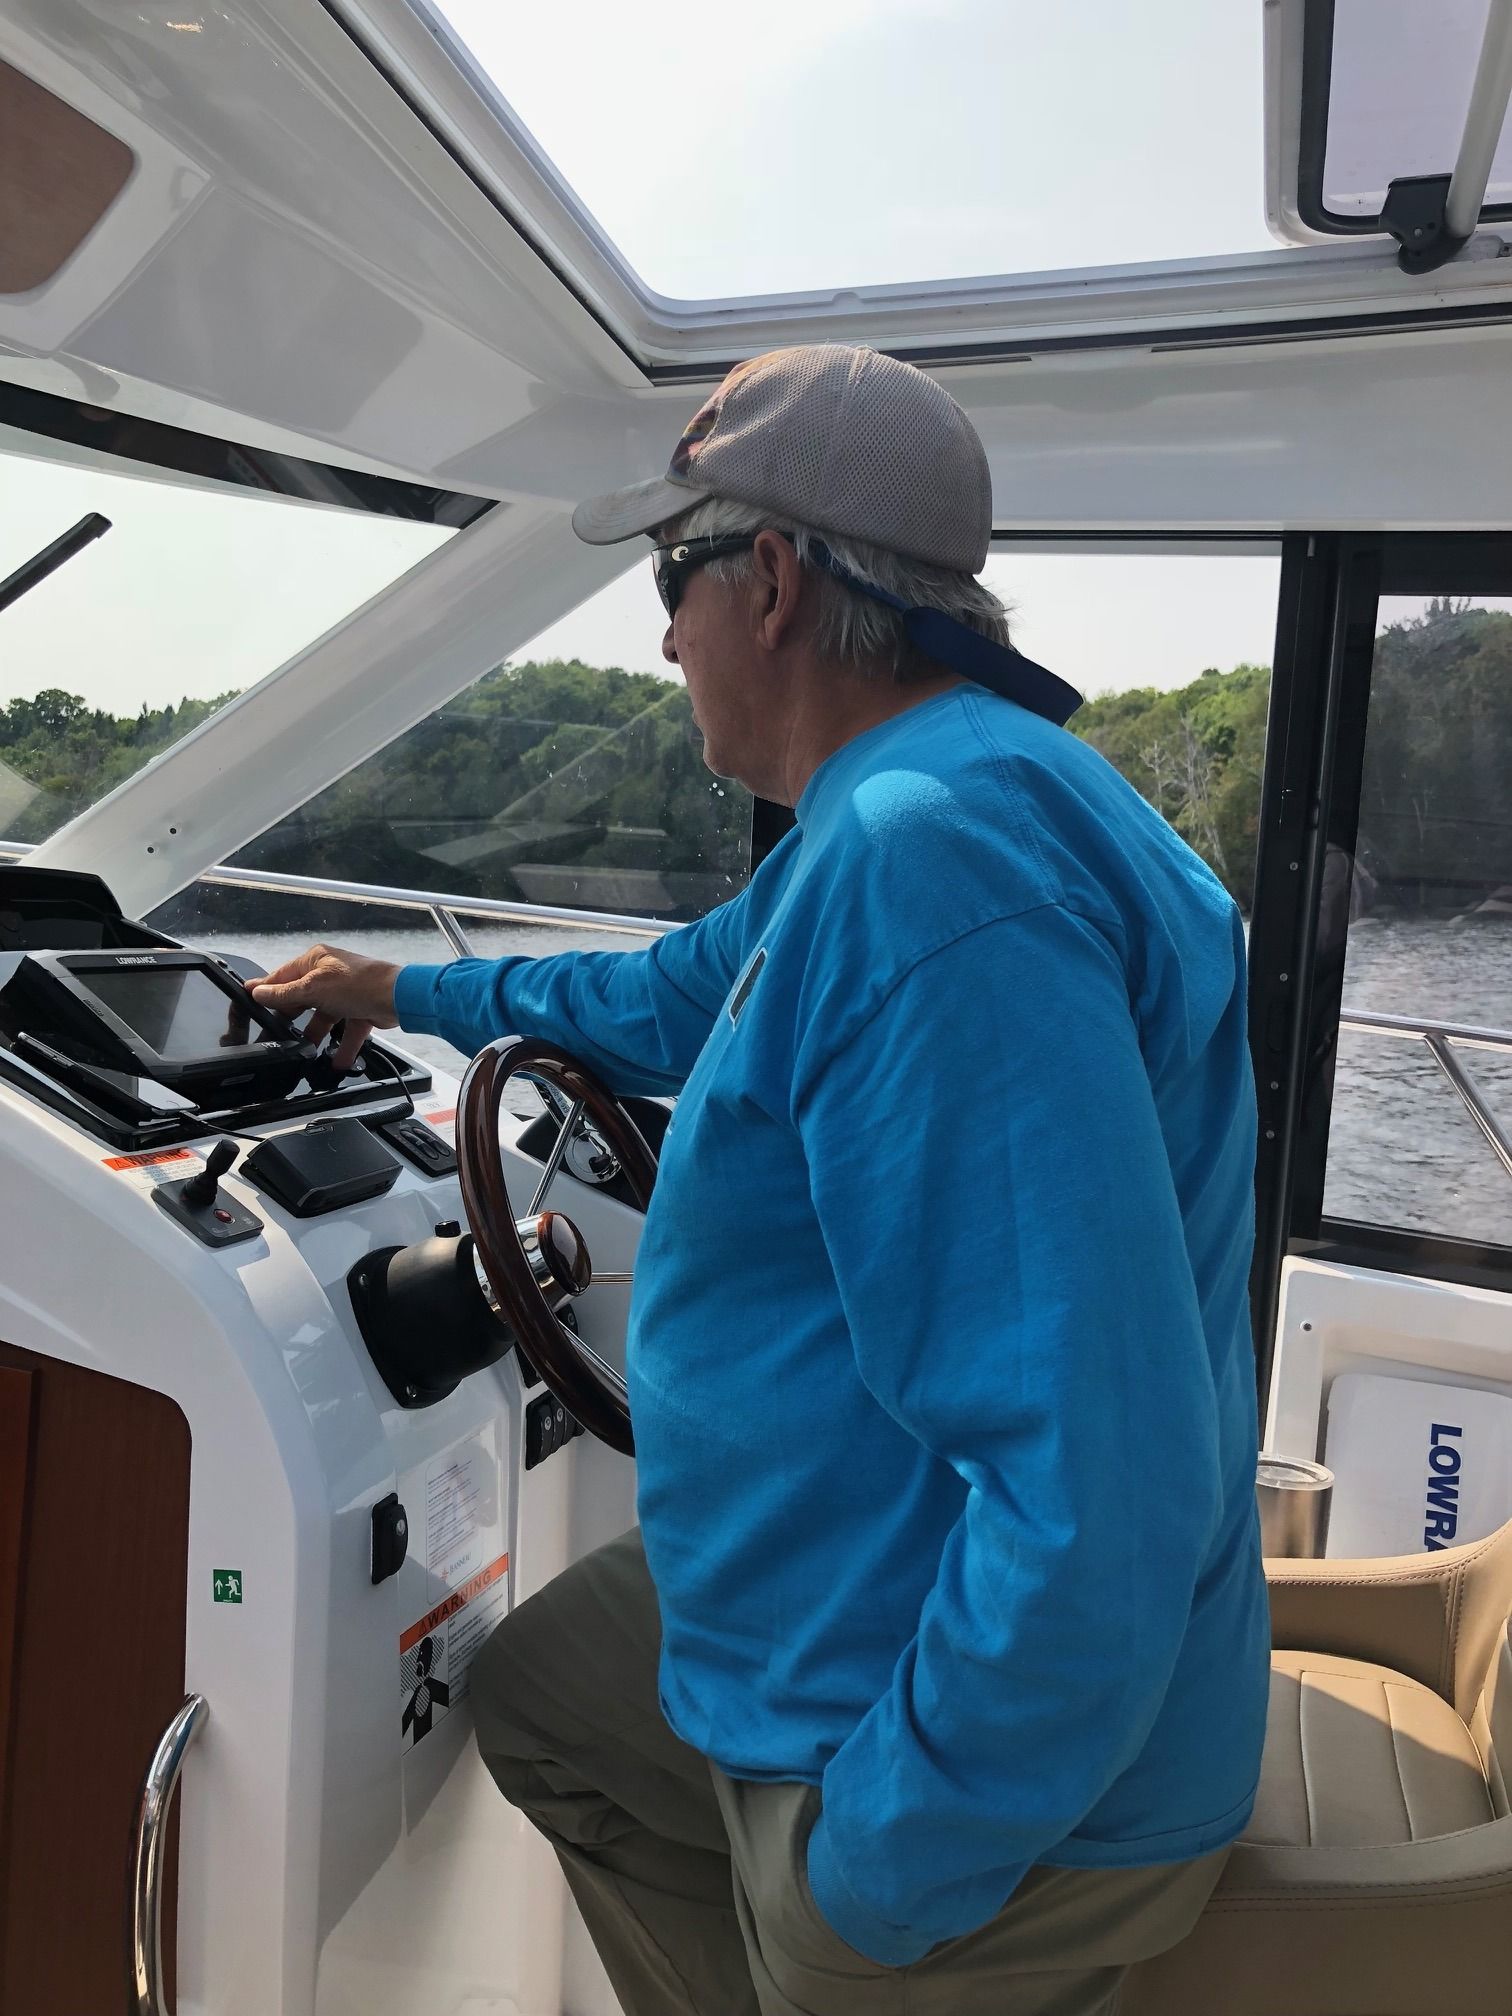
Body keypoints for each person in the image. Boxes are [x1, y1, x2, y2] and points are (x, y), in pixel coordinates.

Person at [251, 344, 1270, 2016]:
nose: (664, 639)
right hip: (842, 1600)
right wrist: (402, 989)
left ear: (775, 583)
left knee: (815, 1919)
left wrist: (875, 1877)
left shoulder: (934, 873)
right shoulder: (927, 806)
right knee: (549, 1700)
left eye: (675, 579)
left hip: (980, 1779)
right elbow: (671, 994)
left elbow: (1102, 1485)